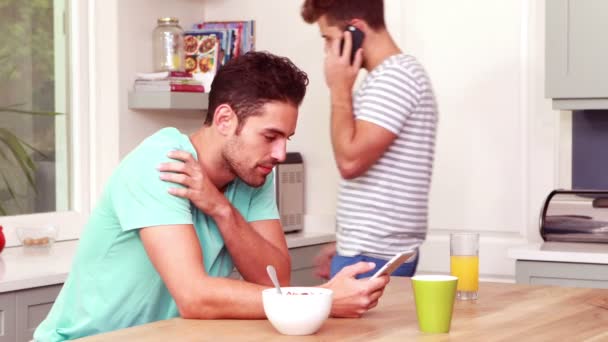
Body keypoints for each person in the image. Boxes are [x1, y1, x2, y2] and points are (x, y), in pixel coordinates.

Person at [34, 51, 389, 341]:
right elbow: (194, 297)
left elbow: (273, 279)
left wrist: (220, 207)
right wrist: (319, 300)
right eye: (270, 137)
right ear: (224, 120)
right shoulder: (160, 164)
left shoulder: (252, 175)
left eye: (287, 139)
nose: (280, 154)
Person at [301, 0, 438, 279]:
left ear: (356, 30)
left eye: (329, 39)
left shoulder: (394, 78)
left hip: (373, 256)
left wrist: (339, 89)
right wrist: (345, 246)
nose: (327, 51)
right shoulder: (391, 78)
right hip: (370, 252)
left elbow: (350, 162)